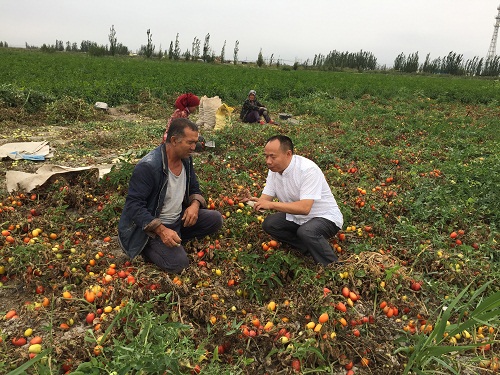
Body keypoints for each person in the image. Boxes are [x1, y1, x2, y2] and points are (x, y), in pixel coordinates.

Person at [119, 118, 223, 273]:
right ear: (174, 140)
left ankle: (176, 237)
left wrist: (194, 205)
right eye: (190, 143)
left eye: (196, 142)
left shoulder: (186, 161)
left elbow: (194, 187)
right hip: (152, 229)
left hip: (177, 219)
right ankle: (145, 246)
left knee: (215, 219)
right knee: (179, 265)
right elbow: (133, 206)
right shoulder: (149, 166)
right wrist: (161, 230)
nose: (194, 147)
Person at [249, 135, 343, 266]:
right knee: (270, 224)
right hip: (297, 217)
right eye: (266, 156)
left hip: (324, 217)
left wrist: (271, 205)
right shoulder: (274, 171)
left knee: (307, 231)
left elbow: (305, 208)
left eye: (273, 156)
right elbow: (265, 200)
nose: (268, 161)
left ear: (288, 154)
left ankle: (332, 266)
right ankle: (306, 247)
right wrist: (251, 201)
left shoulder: (308, 170)